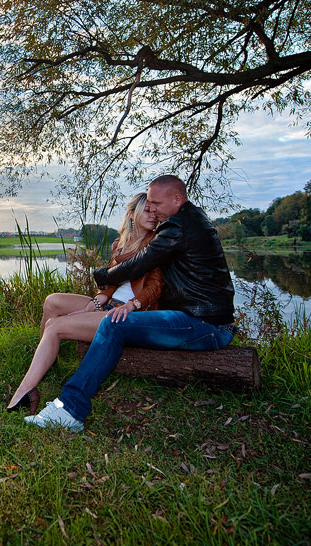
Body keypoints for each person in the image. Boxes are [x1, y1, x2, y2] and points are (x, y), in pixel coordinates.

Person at [25, 174, 236, 431]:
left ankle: (70, 410)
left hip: (202, 324)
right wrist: (105, 294)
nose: (153, 209)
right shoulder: (192, 219)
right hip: (198, 319)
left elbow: (142, 263)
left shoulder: (177, 227)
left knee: (115, 323)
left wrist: (103, 277)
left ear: (178, 199)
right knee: (113, 321)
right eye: (149, 204)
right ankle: (59, 394)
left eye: (156, 204)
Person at [6, 193, 163, 413]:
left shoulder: (157, 243)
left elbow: (156, 285)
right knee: (52, 301)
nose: (153, 216)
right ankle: (45, 362)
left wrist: (132, 304)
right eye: (147, 210)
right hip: (111, 304)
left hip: (130, 313)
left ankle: (26, 389)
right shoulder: (119, 244)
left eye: (155, 212)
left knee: (55, 327)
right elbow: (113, 280)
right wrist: (101, 297)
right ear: (131, 213)